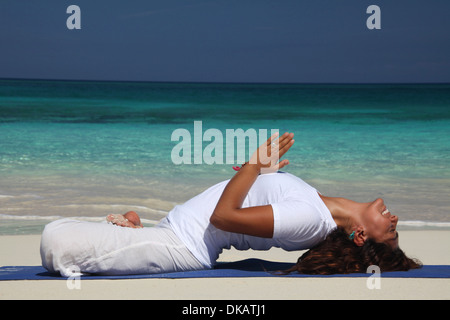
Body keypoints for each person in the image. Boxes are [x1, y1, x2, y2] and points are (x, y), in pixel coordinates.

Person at [40, 132, 421, 276]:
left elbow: (225, 216)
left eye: (391, 230)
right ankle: (135, 231)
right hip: (174, 231)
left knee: (53, 242)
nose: (395, 219)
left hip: (181, 247)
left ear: (358, 236)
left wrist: (254, 167)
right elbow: (246, 198)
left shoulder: (309, 220)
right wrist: (259, 174)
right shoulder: (318, 205)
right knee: (60, 239)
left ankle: (132, 236)